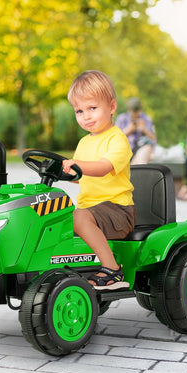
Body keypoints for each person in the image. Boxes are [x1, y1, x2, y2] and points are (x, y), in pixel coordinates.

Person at [62, 70, 136, 290]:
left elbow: (103, 168)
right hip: (91, 210)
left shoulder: (117, 139)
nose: (86, 116)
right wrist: (65, 174)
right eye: (79, 111)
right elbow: (81, 177)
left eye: (92, 108)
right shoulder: (84, 142)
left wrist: (77, 165)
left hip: (118, 210)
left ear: (111, 107)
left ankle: (113, 270)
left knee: (78, 217)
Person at [115, 97, 156, 164]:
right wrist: (129, 130)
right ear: (129, 110)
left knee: (142, 158)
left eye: (136, 112)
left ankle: (139, 170)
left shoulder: (146, 118)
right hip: (125, 150)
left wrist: (144, 130)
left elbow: (153, 138)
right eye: (132, 112)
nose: (134, 115)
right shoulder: (122, 118)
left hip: (141, 148)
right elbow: (115, 138)